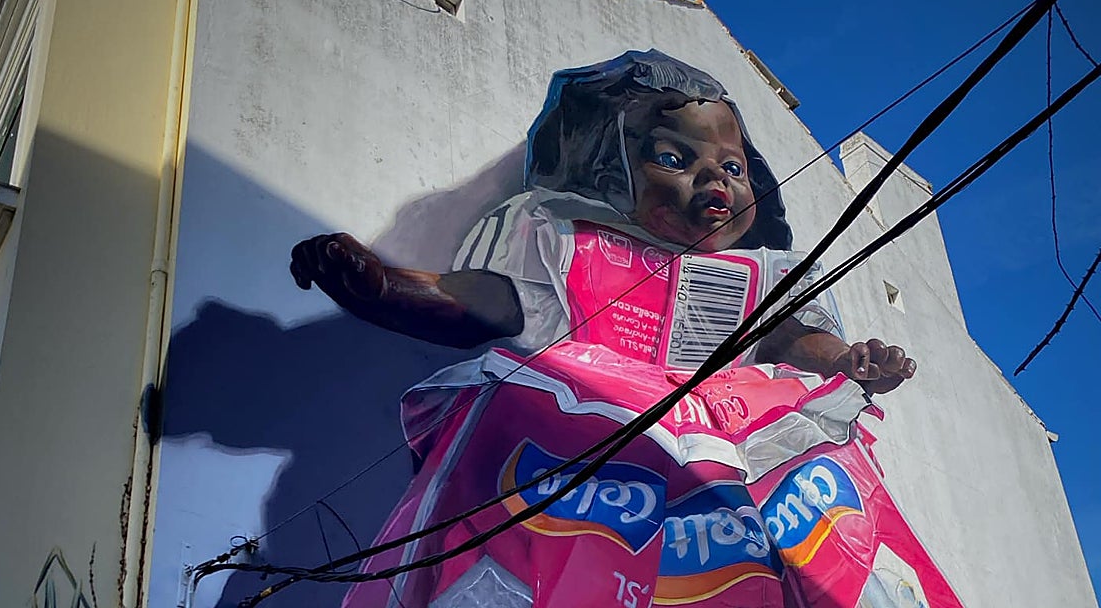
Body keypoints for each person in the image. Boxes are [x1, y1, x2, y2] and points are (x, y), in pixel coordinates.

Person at [291, 50, 960, 608]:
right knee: (526, 423)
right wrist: (388, 287)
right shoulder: (561, 230)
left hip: (732, 421)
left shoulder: (767, 271)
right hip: (593, 405)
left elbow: (788, 335)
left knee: (809, 479)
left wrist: (847, 357)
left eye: (731, 167)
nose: (714, 179)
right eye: (675, 157)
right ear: (615, 165)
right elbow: (490, 301)